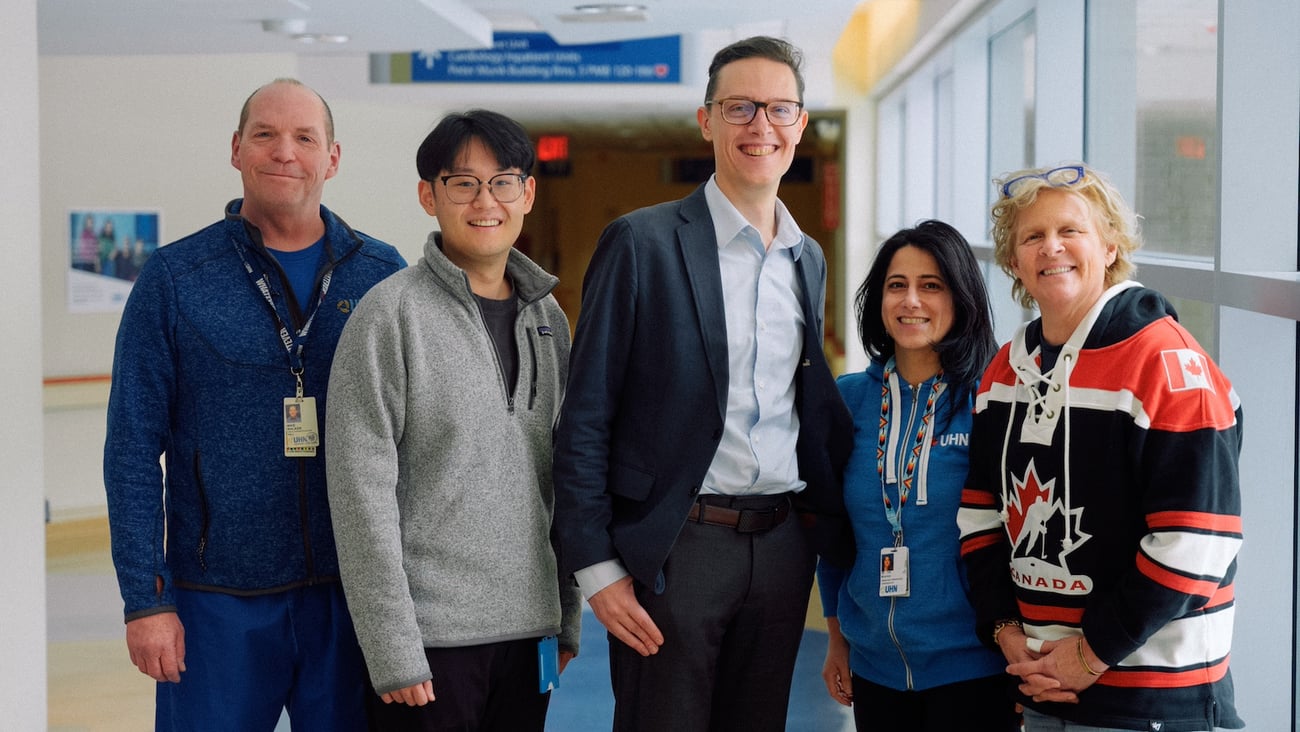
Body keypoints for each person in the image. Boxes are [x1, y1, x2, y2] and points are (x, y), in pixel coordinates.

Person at [552, 35, 852, 732]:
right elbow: (586, 413)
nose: (760, 127)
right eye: (740, 107)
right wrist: (596, 568)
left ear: (801, 124)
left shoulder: (805, 258)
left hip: (780, 550)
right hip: (675, 551)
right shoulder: (642, 243)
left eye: (779, 109)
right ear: (707, 119)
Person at [103, 78, 406, 731]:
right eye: (265, 134)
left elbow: (417, 440)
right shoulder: (175, 280)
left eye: (305, 137)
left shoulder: (380, 274)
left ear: (333, 158)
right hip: (216, 601)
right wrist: (145, 600)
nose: (283, 152)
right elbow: (131, 450)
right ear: (237, 149)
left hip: (353, 599)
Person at [957, 163, 1244, 731]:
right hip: (1044, 688)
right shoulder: (1003, 373)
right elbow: (980, 517)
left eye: (1071, 231)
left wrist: (1090, 655)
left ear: (1111, 245)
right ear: (1014, 261)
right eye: (1032, 236)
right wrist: (1005, 633)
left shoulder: (1166, 364)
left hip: (1150, 705)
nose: (1051, 247)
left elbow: (1196, 541)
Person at [325, 109, 581, 732]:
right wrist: (392, 649)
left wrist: (565, 612)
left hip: (531, 635)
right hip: (430, 646)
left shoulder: (551, 321)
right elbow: (361, 496)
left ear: (527, 194)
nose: (484, 201)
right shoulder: (389, 317)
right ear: (428, 195)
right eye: (463, 183)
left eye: (503, 181)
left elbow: (562, 476)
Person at [816, 220, 1019, 732]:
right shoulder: (848, 400)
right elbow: (834, 534)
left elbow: (1019, 538)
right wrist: (837, 639)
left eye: (932, 286)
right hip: (875, 671)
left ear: (961, 298)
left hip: (976, 669)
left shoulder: (991, 400)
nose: (911, 301)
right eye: (896, 285)